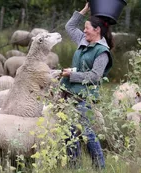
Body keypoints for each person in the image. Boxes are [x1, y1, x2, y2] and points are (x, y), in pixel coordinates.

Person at [60, 2, 113, 169]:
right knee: (69, 134)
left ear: (97, 30)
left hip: (85, 98)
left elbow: (95, 76)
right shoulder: (83, 40)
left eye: (87, 28)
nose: (84, 31)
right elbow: (69, 26)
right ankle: (73, 167)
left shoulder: (102, 51)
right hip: (70, 94)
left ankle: (100, 167)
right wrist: (85, 9)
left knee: (87, 134)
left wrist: (72, 74)